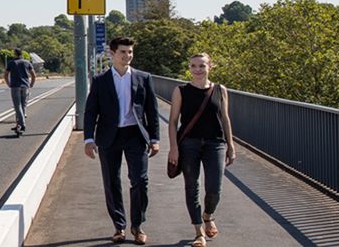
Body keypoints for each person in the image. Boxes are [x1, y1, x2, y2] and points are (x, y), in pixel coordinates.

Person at [83, 37, 160, 245]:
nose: (127, 56)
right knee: (111, 181)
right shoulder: (101, 81)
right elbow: (91, 112)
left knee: (140, 180)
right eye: (123, 52)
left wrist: (154, 138)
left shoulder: (143, 78)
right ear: (112, 53)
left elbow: (152, 111)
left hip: (135, 135)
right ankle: (119, 226)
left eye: (130, 52)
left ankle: (138, 226)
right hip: (109, 136)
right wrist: (88, 139)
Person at [167, 53, 236, 247]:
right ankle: (198, 231)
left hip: (215, 143)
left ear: (210, 67)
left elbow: (225, 118)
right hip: (189, 144)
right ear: (189, 68)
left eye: (202, 66)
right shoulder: (181, 91)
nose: (197, 70)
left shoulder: (220, 90)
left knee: (214, 187)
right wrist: (173, 148)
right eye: (193, 66)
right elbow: (172, 122)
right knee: (192, 186)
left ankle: (208, 215)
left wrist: (230, 145)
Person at [4, 48, 36, 134]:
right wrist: (31, 84)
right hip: (25, 86)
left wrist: (8, 83)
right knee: (23, 105)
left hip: (15, 86)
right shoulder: (27, 62)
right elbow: (33, 75)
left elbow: (6, 75)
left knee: (17, 106)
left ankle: (22, 124)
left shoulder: (11, 63)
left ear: (14, 54)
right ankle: (19, 124)